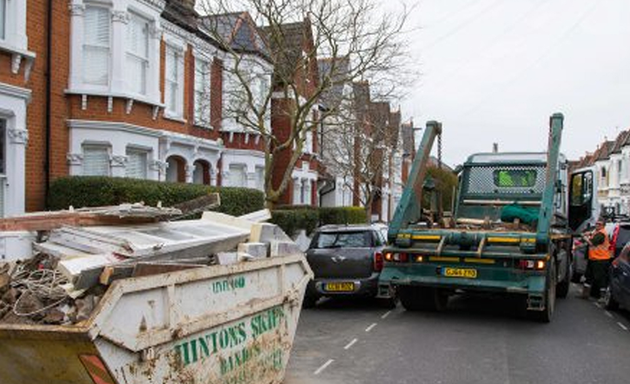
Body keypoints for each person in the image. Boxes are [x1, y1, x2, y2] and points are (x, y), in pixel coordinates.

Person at [579, 219, 613, 299]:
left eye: (599, 224)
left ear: (603, 226)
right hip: (594, 258)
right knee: (588, 276)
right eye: (596, 223)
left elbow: (592, 243)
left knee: (600, 278)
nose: (597, 225)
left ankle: (602, 297)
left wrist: (584, 237)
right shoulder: (596, 232)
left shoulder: (601, 234)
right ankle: (585, 294)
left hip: (601, 259)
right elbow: (592, 234)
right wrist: (589, 233)